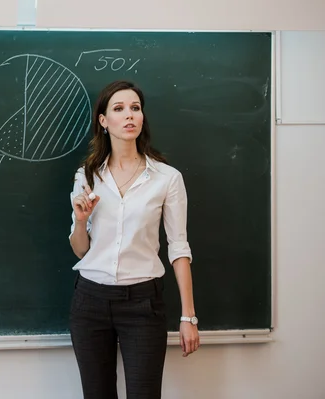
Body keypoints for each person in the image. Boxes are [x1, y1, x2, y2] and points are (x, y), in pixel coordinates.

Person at [68, 80, 200, 399]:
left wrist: (188, 316)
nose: (129, 115)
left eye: (135, 108)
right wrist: (81, 221)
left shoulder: (167, 178)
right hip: (90, 302)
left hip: (143, 303)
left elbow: (179, 248)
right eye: (119, 108)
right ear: (103, 121)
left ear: (142, 118)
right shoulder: (87, 176)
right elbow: (80, 250)